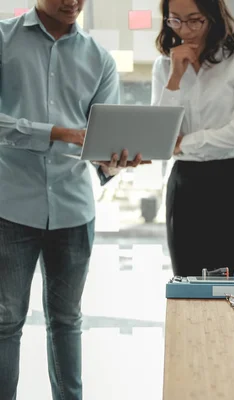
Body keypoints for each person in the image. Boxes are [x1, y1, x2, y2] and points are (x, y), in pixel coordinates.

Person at [0, 1, 144, 399]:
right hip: (10, 204)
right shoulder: (3, 40)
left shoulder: (99, 59)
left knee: (67, 320)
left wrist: (116, 161)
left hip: (74, 208)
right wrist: (58, 132)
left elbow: (103, 141)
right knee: (5, 321)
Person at [152, 0, 234, 276]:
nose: (185, 29)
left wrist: (184, 143)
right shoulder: (164, 65)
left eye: (194, 20)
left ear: (213, 17)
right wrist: (175, 77)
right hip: (186, 184)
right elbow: (159, 138)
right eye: (175, 20)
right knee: (189, 288)